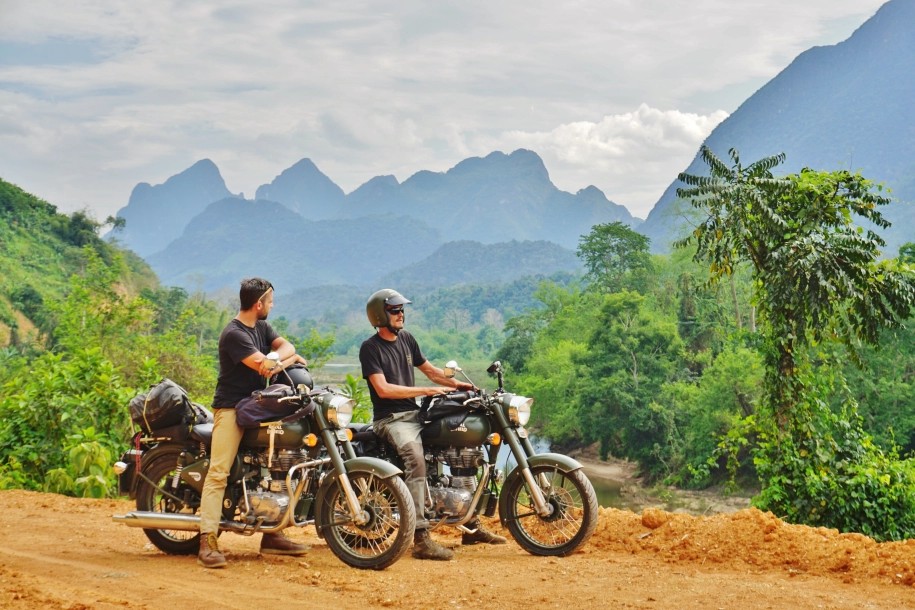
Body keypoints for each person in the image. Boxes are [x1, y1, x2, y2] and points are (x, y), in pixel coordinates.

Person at [359, 288, 507, 561]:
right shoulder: (370, 348)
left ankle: (470, 525)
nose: (401, 313)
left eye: (402, 309)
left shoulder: (407, 339)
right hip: (391, 419)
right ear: (381, 315)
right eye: (395, 310)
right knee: (416, 460)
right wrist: (425, 391)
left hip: (414, 415)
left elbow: (430, 371)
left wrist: (459, 384)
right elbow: (383, 390)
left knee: (459, 441)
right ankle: (420, 537)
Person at [197, 277, 310, 569]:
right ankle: (207, 539)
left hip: (259, 405)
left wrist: (287, 355)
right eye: (270, 301)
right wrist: (290, 358)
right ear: (258, 304)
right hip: (232, 408)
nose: (272, 306)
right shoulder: (234, 334)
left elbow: (286, 346)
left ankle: (272, 533)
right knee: (219, 471)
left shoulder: (261, 327)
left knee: (276, 464)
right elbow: (264, 365)